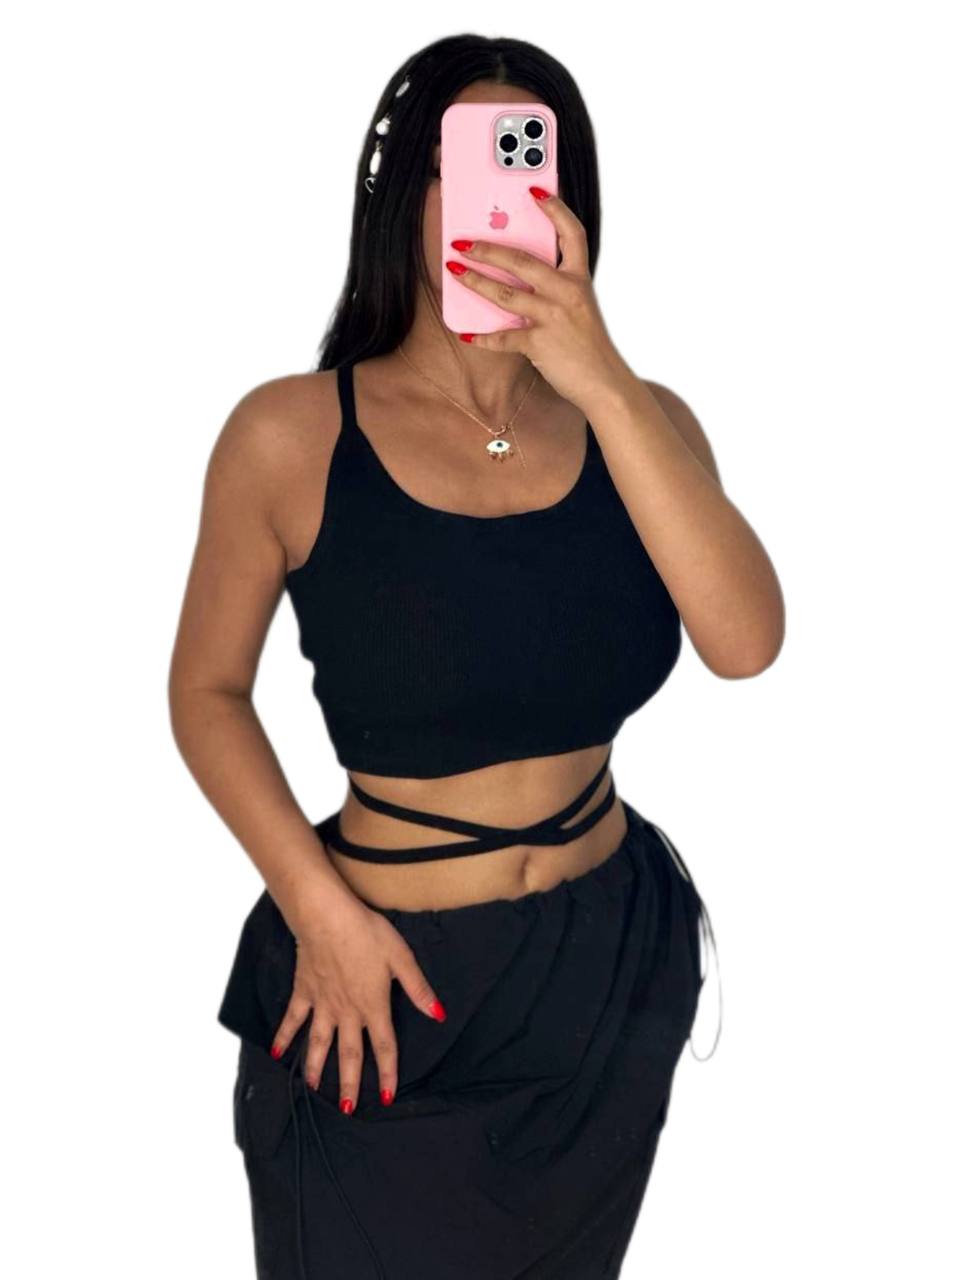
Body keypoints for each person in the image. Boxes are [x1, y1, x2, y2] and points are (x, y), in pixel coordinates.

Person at [168, 33, 784, 1280]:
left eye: (530, 163)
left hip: (606, 968)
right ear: (406, 190)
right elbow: (206, 691)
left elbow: (746, 642)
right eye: (468, 163)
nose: (501, 197)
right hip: (382, 980)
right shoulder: (291, 433)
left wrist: (601, 378)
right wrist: (318, 908)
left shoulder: (641, 422)